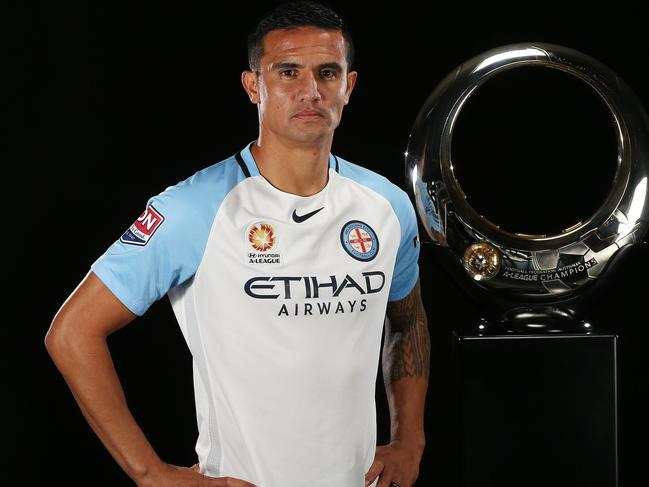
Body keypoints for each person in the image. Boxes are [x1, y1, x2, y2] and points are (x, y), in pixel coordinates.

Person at [44, 1, 431, 486]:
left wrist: (409, 439)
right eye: (288, 72)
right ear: (254, 86)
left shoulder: (387, 206)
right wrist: (151, 474)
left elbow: (407, 319)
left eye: (327, 73)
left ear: (349, 86)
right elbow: (72, 334)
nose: (310, 91)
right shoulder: (193, 209)